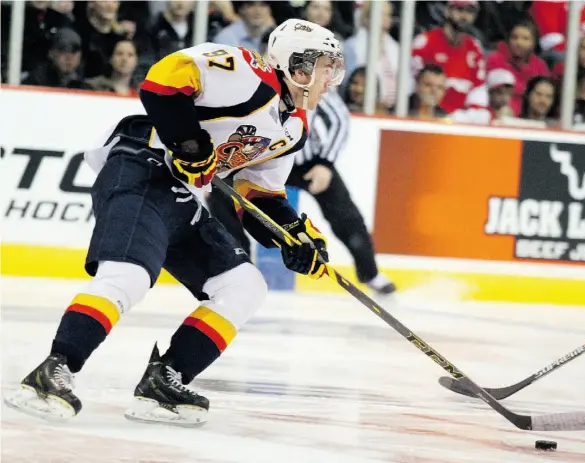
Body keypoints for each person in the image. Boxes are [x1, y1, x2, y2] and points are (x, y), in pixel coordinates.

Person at [4, 18, 345, 427]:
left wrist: (292, 236)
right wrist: (189, 144)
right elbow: (163, 81)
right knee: (128, 276)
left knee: (244, 286)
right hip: (140, 168)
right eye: (327, 67)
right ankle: (53, 370)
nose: (332, 79)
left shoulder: (294, 128)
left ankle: (165, 380)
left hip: (183, 194)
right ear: (298, 66)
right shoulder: (248, 74)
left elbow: (259, 196)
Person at [207, 31, 396, 296]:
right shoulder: (249, 85)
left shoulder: (309, 87)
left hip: (307, 163)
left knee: (345, 215)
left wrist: (326, 163)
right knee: (223, 201)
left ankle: (370, 272)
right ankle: (238, 268)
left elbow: (340, 120)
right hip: (257, 160)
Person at [411, 0, 486, 114]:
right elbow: (412, 85)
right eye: (460, 9)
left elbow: (478, 91)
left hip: (460, 120)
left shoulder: (475, 48)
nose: (464, 16)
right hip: (429, 115)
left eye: (470, 11)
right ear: (447, 11)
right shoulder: (424, 42)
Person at [486, 19, 549, 117]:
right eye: (514, 37)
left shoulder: (540, 66)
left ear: (534, 43)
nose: (519, 43)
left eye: (525, 39)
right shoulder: (494, 60)